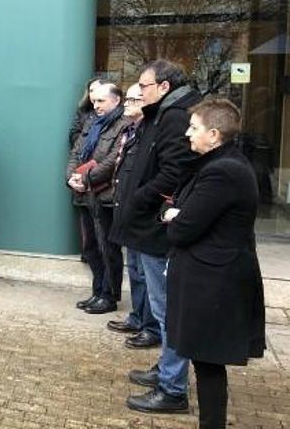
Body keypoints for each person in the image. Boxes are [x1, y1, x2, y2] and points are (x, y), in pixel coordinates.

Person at [163, 98, 265, 429]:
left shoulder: (222, 171)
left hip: (214, 281)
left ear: (214, 134)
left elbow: (184, 227)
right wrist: (180, 213)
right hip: (211, 275)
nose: (188, 134)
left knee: (208, 362)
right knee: (205, 360)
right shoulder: (220, 165)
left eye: (194, 128)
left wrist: (174, 216)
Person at [114, 59, 202, 414]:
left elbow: (172, 173)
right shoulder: (163, 114)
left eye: (144, 86)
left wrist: (139, 199)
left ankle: (172, 388)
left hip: (155, 228)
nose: (139, 92)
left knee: (167, 310)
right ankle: (166, 371)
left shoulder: (176, 118)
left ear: (164, 87)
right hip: (146, 224)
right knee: (162, 307)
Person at [106, 84, 161, 350]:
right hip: (127, 207)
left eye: (133, 99)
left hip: (142, 212)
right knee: (136, 271)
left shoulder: (152, 132)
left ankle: (150, 327)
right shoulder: (131, 130)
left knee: (147, 274)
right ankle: (137, 317)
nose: (127, 103)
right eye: (126, 98)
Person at [66, 83, 128, 314]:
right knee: (91, 247)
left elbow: (113, 160)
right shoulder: (91, 122)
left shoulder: (124, 125)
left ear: (116, 101)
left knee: (108, 248)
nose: (96, 105)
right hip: (85, 194)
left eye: (101, 101)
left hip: (106, 196)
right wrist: (71, 177)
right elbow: (76, 152)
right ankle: (97, 291)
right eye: (94, 100)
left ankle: (109, 295)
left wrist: (86, 178)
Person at [69, 77, 100, 148]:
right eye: (91, 90)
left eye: (97, 89)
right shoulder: (83, 110)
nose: (93, 93)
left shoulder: (112, 111)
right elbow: (74, 133)